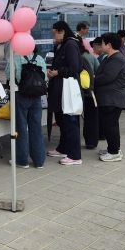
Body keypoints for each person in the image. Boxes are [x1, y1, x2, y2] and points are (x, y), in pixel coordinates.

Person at [46, 21, 83, 165]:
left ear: (62, 31)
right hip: (59, 88)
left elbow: (75, 68)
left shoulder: (70, 44)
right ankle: (63, 148)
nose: (53, 36)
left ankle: (75, 156)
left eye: (54, 33)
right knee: (62, 120)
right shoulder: (61, 45)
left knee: (70, 121)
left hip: (68, 89)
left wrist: (58, 72)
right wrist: (53, 72)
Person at [6, 46, 46, 168]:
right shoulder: (40, 59)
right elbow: (44, 77)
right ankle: (39, 161)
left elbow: (9, 76)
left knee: (21, 128)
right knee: (36, 128)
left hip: (20, 95)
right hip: (36, 97)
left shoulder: (15, 58)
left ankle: (22, 160)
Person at [94, 33, 125, 162]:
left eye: (102, 43)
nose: (101, 45)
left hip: (113, 97)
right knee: (108, 124)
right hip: (108, 97)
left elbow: (107, 76)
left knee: (110, 125)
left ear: (108, 45)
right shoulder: (109, 57)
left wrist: (92, 80)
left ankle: (114, 152)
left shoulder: (117, 58)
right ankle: (112, 148)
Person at [80, 45, 100, 149]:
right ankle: (92, 141)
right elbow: (98, 69)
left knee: (89, 117)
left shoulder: (80, 58)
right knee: (91, 117)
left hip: (86, 91)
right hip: (91, 90)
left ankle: (90, 141)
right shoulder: (91, 56)